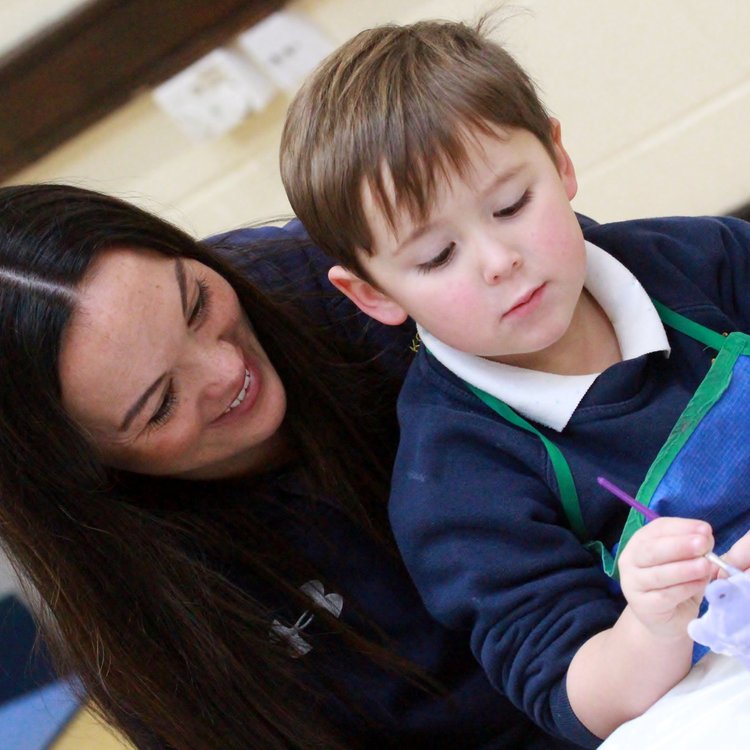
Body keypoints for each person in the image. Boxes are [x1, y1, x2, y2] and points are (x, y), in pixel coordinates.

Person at [279, 16, 750, 747]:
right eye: (437, 256)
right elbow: (578, 696)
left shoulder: (698, 258)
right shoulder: (455, 480)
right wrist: (653, 622)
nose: (499, 260)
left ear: (559, 161)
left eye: (510, 206)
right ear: (374, 295)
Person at [0, 183, 578, 750]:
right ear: (81, 469)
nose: (226, 370)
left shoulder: (353, 281)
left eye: (197, 304)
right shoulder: (140, 624)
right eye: (161, 404)